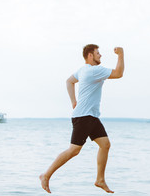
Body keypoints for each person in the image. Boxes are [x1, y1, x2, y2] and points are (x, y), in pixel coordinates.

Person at [39, 44, 124, 194]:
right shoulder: (94, 70)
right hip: (84, 117)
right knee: (74, 150)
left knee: (105, 144)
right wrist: (121, 55)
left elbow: (69, 81)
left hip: (90, 116)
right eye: (98, 53)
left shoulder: (82, 70)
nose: (100, 56)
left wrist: (73, 101)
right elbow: (118, 73)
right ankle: (46, 175)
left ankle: (100, 180)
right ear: (90, 55)